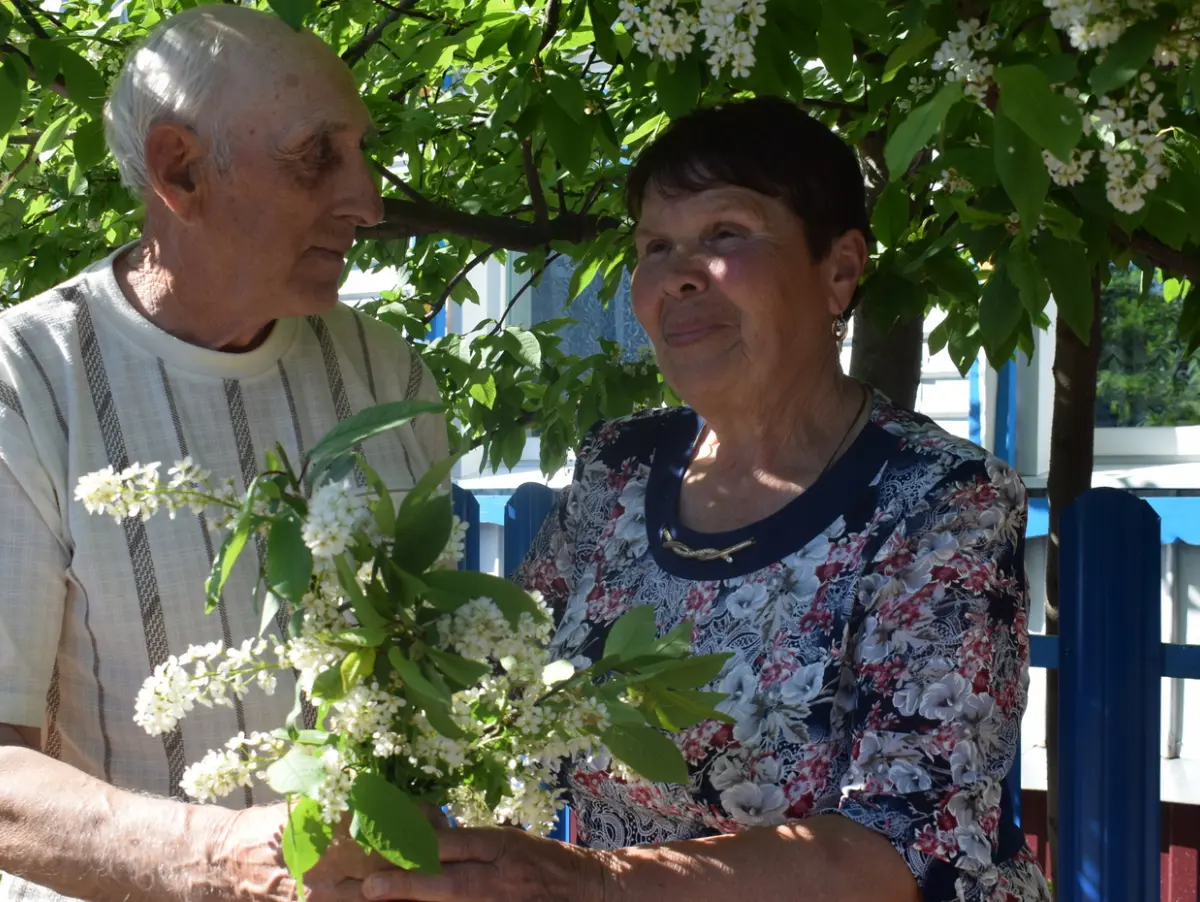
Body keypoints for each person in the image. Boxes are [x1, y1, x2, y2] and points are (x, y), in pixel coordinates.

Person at [359, 97, 1051, 902]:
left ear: (839, 269)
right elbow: (497, 688)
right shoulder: (618, 470)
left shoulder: (937, 499)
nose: (680, 273)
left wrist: (592, 883)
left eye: (725, 234)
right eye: (656, 246)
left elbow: (907, 846)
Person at [0, 8, 447, 902]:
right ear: (180, 168)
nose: (367, 200)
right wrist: (220, 858)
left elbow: (425, 696)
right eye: (317, 153)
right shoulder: (27, 384)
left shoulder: (389, 376)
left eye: (362, 151)